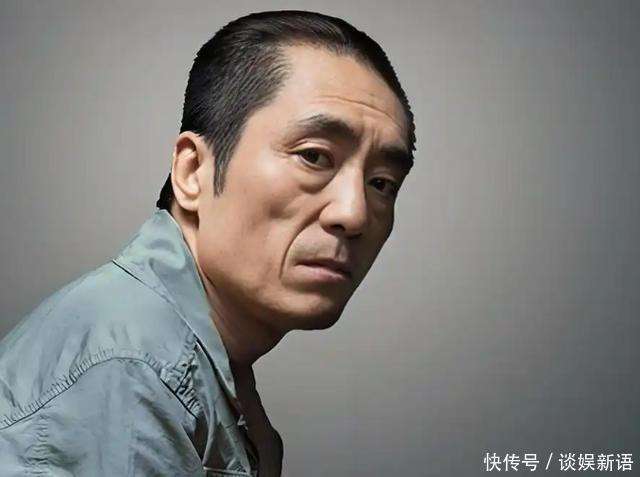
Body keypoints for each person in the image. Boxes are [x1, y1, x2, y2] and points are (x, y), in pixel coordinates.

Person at [0, 10, 415, 476]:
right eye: (314, 156)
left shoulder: (200, 364)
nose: (354, 213)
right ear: (192, 171)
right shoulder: (131, 366)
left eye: (382, 183)